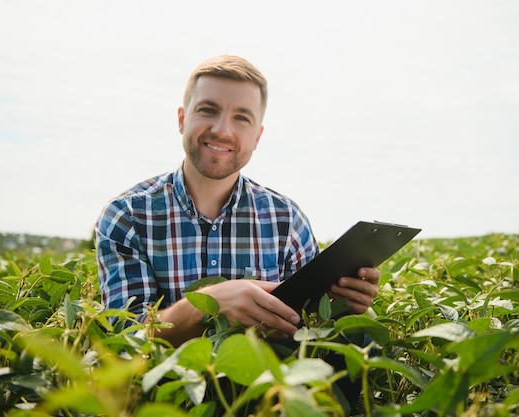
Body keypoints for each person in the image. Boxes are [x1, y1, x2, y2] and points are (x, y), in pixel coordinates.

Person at [95, 55, 380, 347]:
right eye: (208, 110)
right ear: (182, 119)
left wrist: (340, 304)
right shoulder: (128, 215)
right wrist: (206, 304)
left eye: (241, 118)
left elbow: (309, 329)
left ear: (257, 137)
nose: (222, 130)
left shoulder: (287, 220)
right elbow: (124, 339)